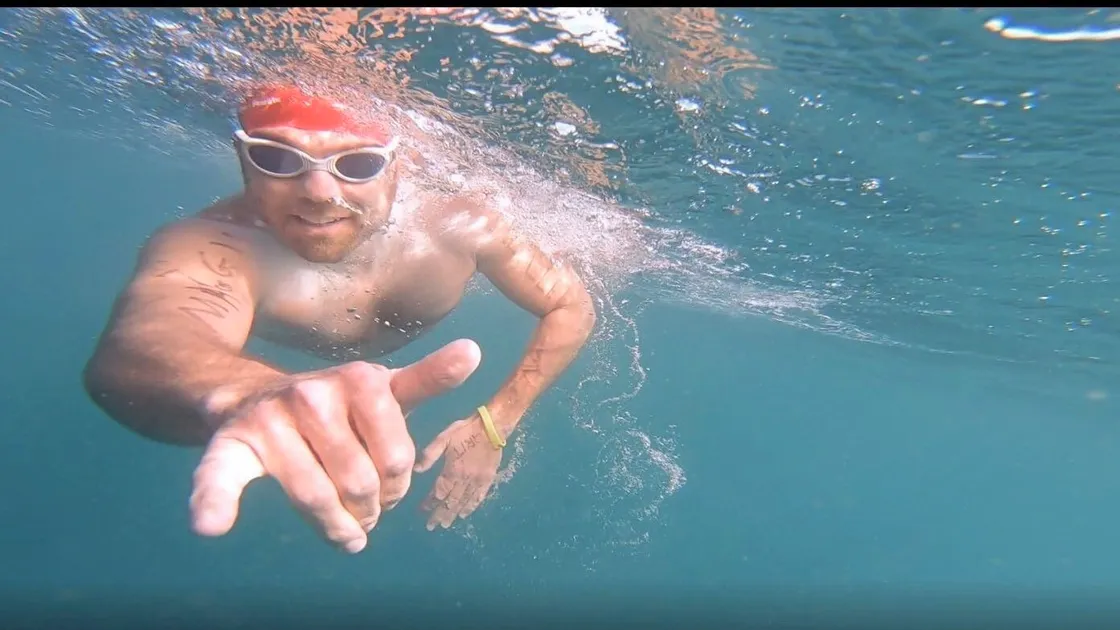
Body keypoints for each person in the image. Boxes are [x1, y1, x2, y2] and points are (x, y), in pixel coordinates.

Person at [82, 84, 597, 554]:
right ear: (242, 159)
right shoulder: (215, 244)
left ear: (398, 165)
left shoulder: (465, 226)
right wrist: (246, 395)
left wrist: (496, 422)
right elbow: (146, 346)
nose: (319, 192)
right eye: (277, 158)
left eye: (357, 164)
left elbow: (569, 304)